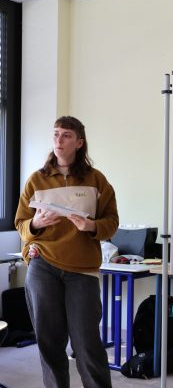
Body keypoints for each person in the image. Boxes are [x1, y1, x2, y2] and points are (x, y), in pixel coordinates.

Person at [15, 116, 119, 388]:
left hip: (82, 270)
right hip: (43, 266)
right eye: (56, 134)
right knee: (49, 342)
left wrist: (91, 226)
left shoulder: (96, 180)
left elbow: (112, 223)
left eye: (66, 135)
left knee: (87, 343)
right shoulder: (36, 179)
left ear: (79, 143)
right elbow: (21, 223)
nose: (59, 140)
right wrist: (36, 223)